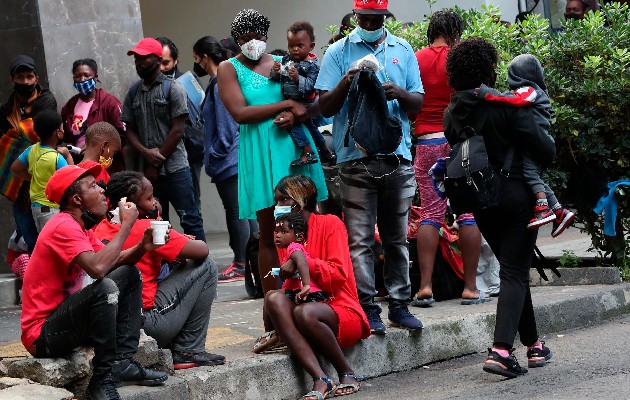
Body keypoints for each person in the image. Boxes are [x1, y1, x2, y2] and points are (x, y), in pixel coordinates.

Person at [444, 37, 555, 378]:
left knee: (512, 268)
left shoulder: (452, 112)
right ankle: (502, 350)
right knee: (515, 271)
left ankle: (534, 345)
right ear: (487, 69)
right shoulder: (505, 105)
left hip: (479, 198)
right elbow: (545, 149)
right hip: (516, 195)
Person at [315, 0, 424, 334]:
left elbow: (419, 102)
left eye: (377, 18)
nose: (372, 22)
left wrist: (399, 93)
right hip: (355, 160)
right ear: (356, 16)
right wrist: (346, 81)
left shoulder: (403, 49)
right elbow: (324, 106)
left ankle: (399, 305)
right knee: (361, 241)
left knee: (397, 239)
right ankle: (368, 308)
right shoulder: (337, 52)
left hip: (396, 158)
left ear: (384, 17)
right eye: (366, 17)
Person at [21, 164, 168, 400]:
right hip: (42, 335)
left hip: (67, 323)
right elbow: (99, 269)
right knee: (105, 288)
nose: (102, 191)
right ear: (77, 199)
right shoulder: (62, 225)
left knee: (130, 273)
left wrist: (142, 246)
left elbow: (114, 261)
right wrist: (127, 224)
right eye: (93, 186)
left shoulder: (81, 228)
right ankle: (102, 380)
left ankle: (122, 362)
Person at [217, 8, 328, 294]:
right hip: (260, 154)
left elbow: (305, 101)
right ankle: (273, 303)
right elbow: (241, 113)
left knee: (306, 224)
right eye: (246, 37)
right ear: (236, 39)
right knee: (268, 232)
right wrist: (285, 106)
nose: (253, 42)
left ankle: (312, 290)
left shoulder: (284, 61)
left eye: (259, 36)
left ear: (267, 35)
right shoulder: (228, 68)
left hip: (291, 150)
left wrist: (295, 114)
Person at [95, 171, 225, 370]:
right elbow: (201, 250)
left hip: (117, 321)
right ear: (128, 205)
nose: (155, 202)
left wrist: (174, 243)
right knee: (206, 266)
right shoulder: (147, 227)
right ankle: (189, 349)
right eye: (148, 198)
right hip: (148, 323)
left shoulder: (101, 228)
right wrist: (167, 229)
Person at [260, 175, 369, 399]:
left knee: (305, 312)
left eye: (283, 200)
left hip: (341, 308)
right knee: (273, 298)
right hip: (306, 304)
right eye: (276, 201)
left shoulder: (331, 224)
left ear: (301, 201)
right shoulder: (284, 232)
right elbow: (291, 282)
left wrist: (303, 260)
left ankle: (346, 372)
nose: (277, 207)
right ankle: (320, 378)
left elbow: (339, 276)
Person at [410, 11, 489, 307]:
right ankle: (470, 288)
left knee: (430, 213)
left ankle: (426, 288)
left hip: (427, 141)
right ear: (456, 32)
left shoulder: (416, 57)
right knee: (467, 212)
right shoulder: (460, 58)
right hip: (459, 141)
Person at [478, 54, 575, 237]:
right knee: (535, 176)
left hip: (535, 142)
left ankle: (543, 209)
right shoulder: (531, 89)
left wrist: (487, 94)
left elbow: (516, 100)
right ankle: (559, 211)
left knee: (530, 174)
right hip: (533, 142)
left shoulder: (531, 90)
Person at [122, 37, 206, 241]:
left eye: (144, 58)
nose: (139, 64)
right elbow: (129, 129)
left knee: (190, 219)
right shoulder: (134, 92)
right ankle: (164, 269)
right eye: (136, 60)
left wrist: (156, 159)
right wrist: (145, 153)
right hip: (148, 171)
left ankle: (203, 267)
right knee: (156, 221)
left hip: (176, 168)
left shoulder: (174, 88)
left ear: (157, 59)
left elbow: (178, 130)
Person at [192, 35, 258, 283]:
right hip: (236, 158)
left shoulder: (220, 83)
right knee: (246, 211)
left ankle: (242, 263)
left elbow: (227, 128)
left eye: (197, 58)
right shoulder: (226, 79)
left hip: (229, 161)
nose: (196, 63)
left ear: (205, 57)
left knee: (237, 212)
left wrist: (214, 155)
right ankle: (251, 261)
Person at [0, 55, 57, 253]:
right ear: (12, 80)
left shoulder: (46, 100)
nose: (25, 81)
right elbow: (5, 145)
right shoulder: (8, 109)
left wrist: (14, 136)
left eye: (29, 77)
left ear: (37, 79)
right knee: (30, 236)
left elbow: (39, 129)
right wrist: (12, 139)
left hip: (44, 174)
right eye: (20, 77)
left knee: (51, 236)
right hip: (20, 182)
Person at [270, 21, 335, 167]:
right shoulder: (286, 59)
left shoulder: (312, 66)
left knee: (292, 123)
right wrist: (276, 71)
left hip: (304, 102)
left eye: (300, 46)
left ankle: (307, 151)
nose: (295, 50)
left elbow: (312, 87)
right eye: (291, 46)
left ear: (311, 46)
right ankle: (325, 151)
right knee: (310, 127)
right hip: (291, 99)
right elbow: (275, 79)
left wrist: (298, 78)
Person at [11, 110, 74, 232]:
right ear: (58, 133)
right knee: (55, 243)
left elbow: (15, 168)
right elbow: (73, 179)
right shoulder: (57, 158)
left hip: (36, 208)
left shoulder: (32, 149)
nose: (63, 130)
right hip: (51, 209)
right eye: (62, 127)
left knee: (45, 240)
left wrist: (33, 177)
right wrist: (68, 156)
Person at [60, 58, 126, 173]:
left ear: (95, 77)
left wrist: (98, 148)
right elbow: (67, 137)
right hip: (80, 168)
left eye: (86, 75)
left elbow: (123, 135)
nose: (82, 80)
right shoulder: (69, 107)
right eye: (77, 76)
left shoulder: (110, 103)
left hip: (108, 168)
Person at [274, 212, 328, 304]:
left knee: (273, 299)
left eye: (284, 231)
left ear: (299, 237)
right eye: (277, 231)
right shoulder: (290, 249)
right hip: (301, 291)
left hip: (308, 293)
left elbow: (302, 262)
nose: (278, 235)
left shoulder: (294, 247)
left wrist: (306, 285)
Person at [77, 121, 123, 186]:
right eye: (114, 152)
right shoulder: (99, 171)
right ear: (104, 146)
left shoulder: (74, 170)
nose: (112, 158)